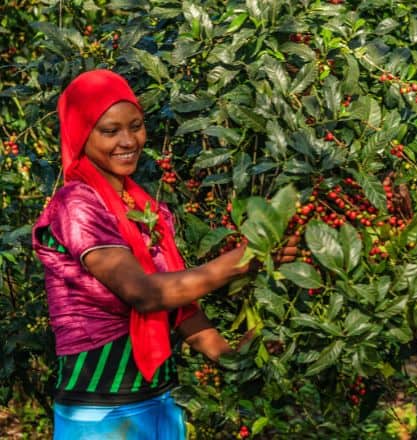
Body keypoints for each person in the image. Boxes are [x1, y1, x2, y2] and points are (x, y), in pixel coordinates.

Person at [31, 69, 297, 439]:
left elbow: (176, 302)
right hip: (101, 409)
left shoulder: (141, 205)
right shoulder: (76, 206)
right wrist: (240, 261)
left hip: (158, 399)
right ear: (81, 134)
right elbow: (145, 293)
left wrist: (230, 355)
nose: (129, 140)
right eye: (110, 131)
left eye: (136, 126)